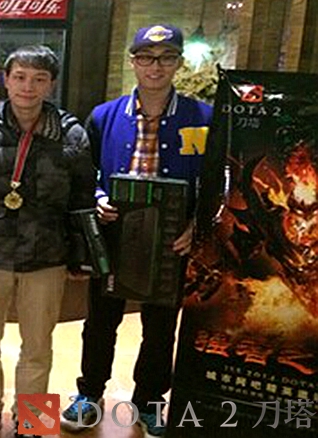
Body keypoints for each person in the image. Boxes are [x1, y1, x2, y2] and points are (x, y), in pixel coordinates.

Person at [60, 24, 212, 438]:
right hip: (115, 232)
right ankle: (89, 393)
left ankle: (149, 400)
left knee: (160, 327)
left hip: (172, 239)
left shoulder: (202, 117)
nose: (155, 67)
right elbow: (83, 172)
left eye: (166, 58)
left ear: (179, 62)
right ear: (133, 62)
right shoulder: (104, 116)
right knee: (100, 321)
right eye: (146, 57)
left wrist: (197, 224)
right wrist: (96, 197)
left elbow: (220, 178)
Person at [0, 45, 95, 438]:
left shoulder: (71, 134)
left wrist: (81, 255)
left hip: (47, 256)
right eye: (20, 77)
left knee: (38, 344)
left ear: (51, 85)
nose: (28, 87)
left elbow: (81, 200)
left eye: (39, 79)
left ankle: (33, 419)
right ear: (5, 80)